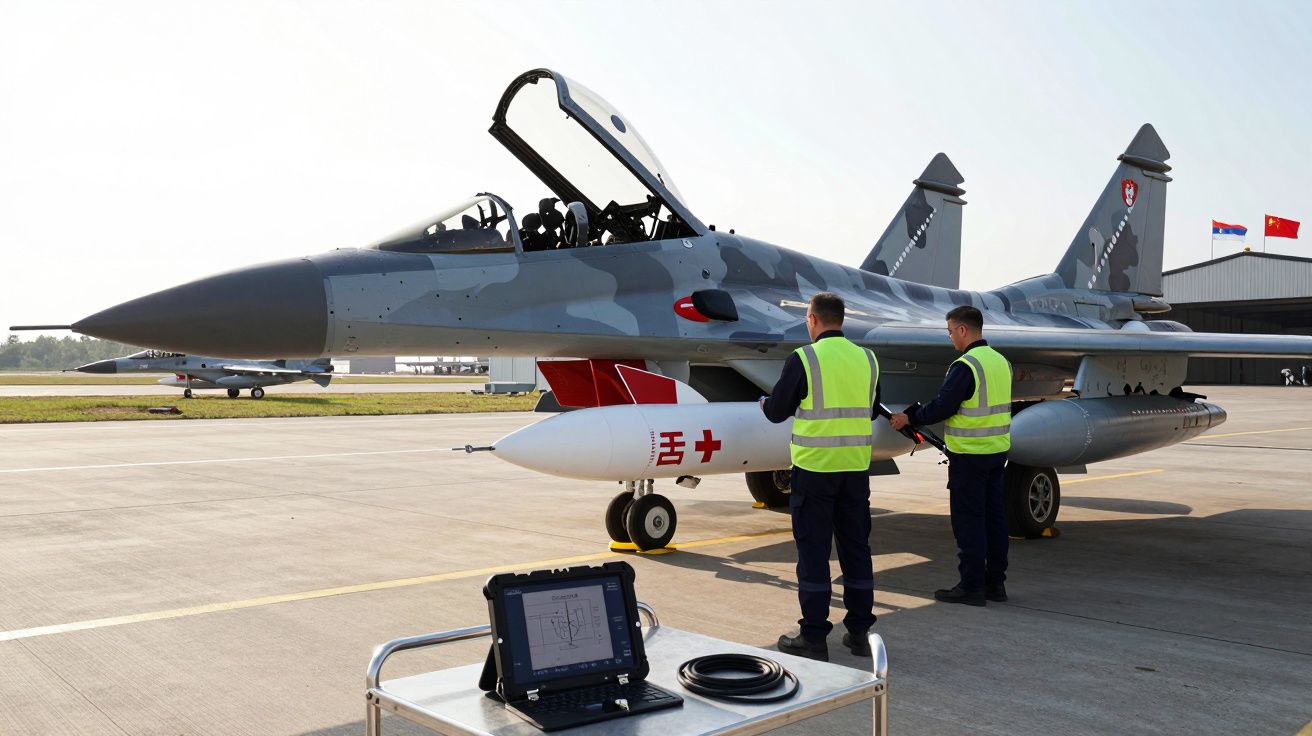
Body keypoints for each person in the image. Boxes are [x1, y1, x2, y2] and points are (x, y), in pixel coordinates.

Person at [761, 292, 881, 661]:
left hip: (815, 471)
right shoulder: (867, 358)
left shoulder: (805, 358)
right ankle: (860, 633)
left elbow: (777, 412)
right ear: (841, 320)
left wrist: (765, 403)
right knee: (856, 549)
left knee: (814, 553)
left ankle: (814, 638)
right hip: (856, 470)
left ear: (812, 319)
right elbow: (874, 409)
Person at [891, 305, 1012, 607]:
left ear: (962, 330)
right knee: (995, 520)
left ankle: (971, 587)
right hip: (996, 453)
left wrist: (910, 417)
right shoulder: (1000, 362)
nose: (949, 339)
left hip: (970, 457)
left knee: (969, 523)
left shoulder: (966, 366)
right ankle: (995, 584)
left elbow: (943, 407)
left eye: (949, 332)